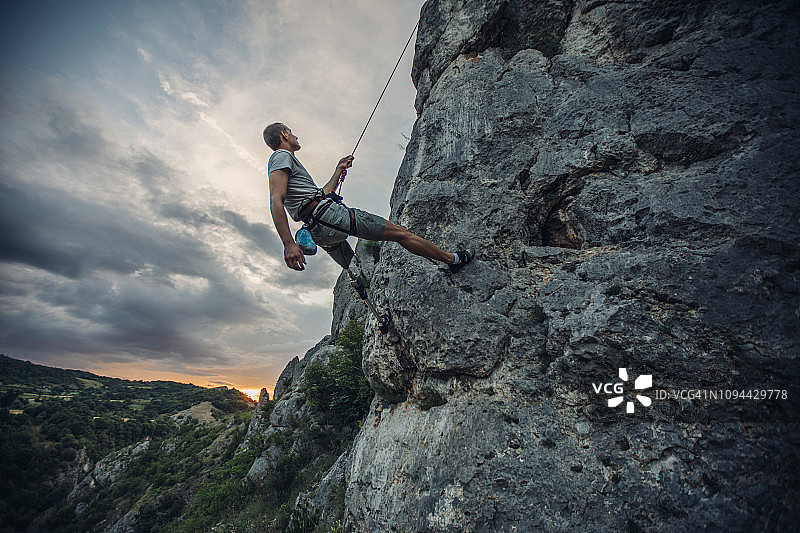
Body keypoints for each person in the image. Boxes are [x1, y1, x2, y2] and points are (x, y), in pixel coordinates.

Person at [263, 122, 473, 273]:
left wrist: (338, 169)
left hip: (318, 230)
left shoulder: (289, 166)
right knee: (401, 234)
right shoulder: (282, 156)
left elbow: (320, 195)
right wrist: (288, 243)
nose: (296, 136)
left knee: (357, 272)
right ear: (284, 134)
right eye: (291, 133)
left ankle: (375, 305)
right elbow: (275, 200)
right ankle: (453, 259)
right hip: (330, 217)